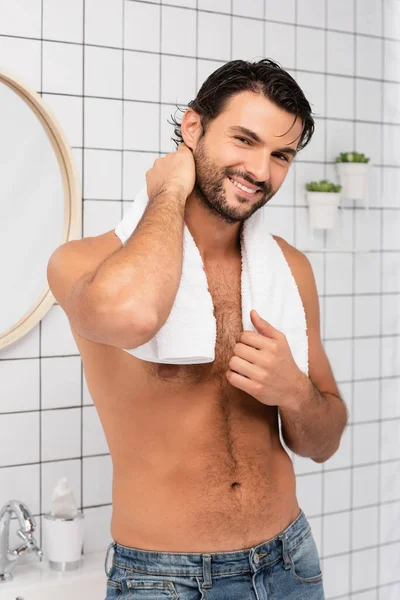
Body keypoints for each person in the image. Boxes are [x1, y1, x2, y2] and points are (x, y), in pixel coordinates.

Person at [47, 58, 348, 599]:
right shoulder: (83, 264)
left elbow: (322, 443)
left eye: (281, 155)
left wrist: (294, 393)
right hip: (165, 579)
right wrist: (169, 190)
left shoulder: (287, 271)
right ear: (192, 129)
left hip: (289, 563)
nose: (261, 170)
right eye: (244, 139)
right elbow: (135, 315)